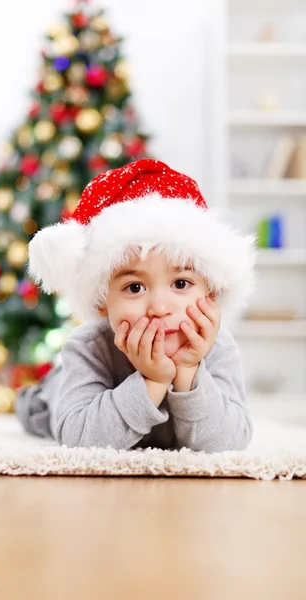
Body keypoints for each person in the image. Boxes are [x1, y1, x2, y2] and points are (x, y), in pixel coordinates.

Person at [16, 159, 256, 452]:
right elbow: (78, 441)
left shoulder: (218, 347)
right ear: (102, 302)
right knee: (39, 408)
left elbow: (230, 441)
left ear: (212, 294)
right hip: (57, 395)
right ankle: (34, 395)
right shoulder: (89, 347)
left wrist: (188, 372)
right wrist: (152, 380)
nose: (159, 308)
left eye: (181, 284)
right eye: (135, 287)